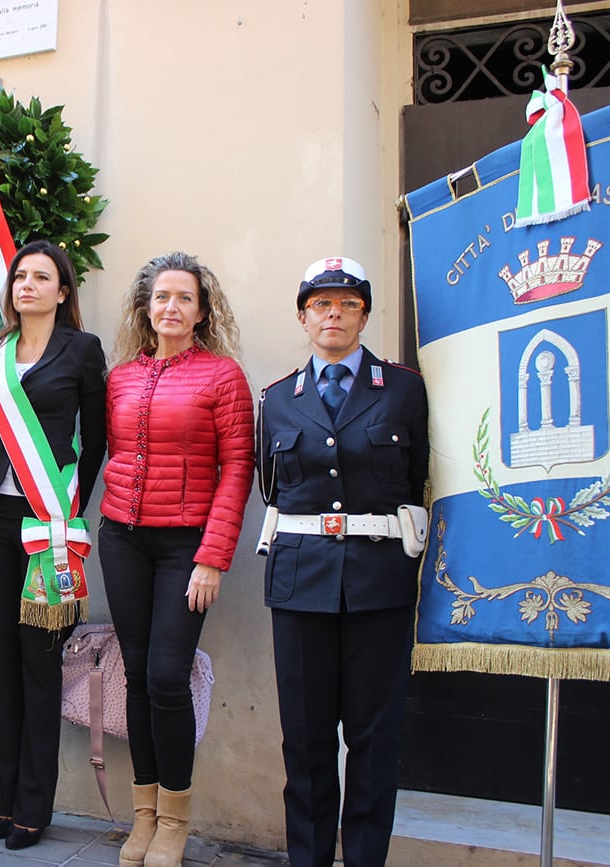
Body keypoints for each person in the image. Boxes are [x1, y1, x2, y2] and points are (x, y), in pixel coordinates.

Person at [256, 257, 428, 867]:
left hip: (380, 586)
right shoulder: (277, 399)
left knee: (374, 740)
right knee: (303, 743)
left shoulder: (404, 388)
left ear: (364, 315)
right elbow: (270, 490)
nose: (334, 314)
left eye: (348, 303)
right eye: (321, 304)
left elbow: (418, 477)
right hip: (300, 585)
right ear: (304, 317)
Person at [98, 252, 255, 867]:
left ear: (201, 310)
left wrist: (212, 557)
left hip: (186, 547)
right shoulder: (121, 378)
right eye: (161, 296)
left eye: (184, 298)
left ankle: (176, 819)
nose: (171, 307)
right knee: (135, 676)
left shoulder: (222, 377)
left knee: (167, 676)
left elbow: (237, 469)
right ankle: (144, 815)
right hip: (123, 541)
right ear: (146, 307)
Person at [0, 241, 106, 850]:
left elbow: (96, 440)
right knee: (2, 661)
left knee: (39, 662)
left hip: (48, 521)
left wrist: (68, 508)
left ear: (62, 291)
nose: (27, 285)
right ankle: (4, 799)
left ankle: (34, 805)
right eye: (20, 276)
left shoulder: (82, 350)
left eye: (41, 277)